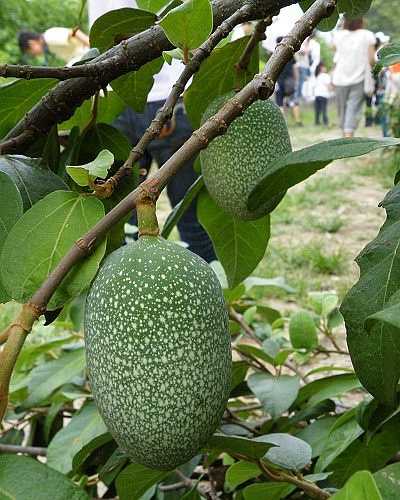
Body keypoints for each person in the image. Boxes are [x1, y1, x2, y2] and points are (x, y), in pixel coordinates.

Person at [88, 0, 216, 263]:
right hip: (142, 96)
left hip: (160, 94)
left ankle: (215, 296)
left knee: (132, 222)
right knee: (130, 221)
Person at [332, 16, 376, 137]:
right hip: (359, 77)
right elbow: (371, 59)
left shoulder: (338, 36)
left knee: (342, 109)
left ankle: (344, 135)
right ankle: (348, 136)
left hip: (340, 77)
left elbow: (334, 51)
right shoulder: (367, 35)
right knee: (353, 107)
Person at [18, 28, 89, 66]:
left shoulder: (49, 36)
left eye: (31, 52)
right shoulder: (48, 44)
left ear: (31, 43)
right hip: (80, 59)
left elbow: (75, 32)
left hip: (84, 54)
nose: (34, 55)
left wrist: (93, 44)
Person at [275, 37, 303, 126]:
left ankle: (282, 123)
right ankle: (298, 121)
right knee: (293, 101)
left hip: (279, 82)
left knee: (280, 103)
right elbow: (295, 68)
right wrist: (297, 80)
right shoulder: (290, 54)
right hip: (290, 82)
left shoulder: (274, 56)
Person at [314, 62, 331, 126]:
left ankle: (317, 122)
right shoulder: (326, 76)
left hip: (317, 95)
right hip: (324, 95)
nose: (326, 68)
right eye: (325, 67)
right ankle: (325, 122)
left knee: (317, 110)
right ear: (321, 68)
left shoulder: (317, 76)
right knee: (324, 109)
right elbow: (328, 86)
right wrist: (332, 89)